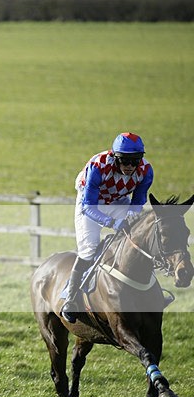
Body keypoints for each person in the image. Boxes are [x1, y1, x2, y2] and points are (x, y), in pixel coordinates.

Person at [61, 132, 154, 323]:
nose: (129, 167)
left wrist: (130, 217)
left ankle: (151, 291)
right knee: (89, 249)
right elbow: (89, 207)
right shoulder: (98, 166)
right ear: (114, 157)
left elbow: (138, 201)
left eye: (135, 161)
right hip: (90, 203)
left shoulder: (146, 171)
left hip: (117, 201)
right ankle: (70, 299)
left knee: (137, 237)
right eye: (125, 161)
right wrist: (111, 223)